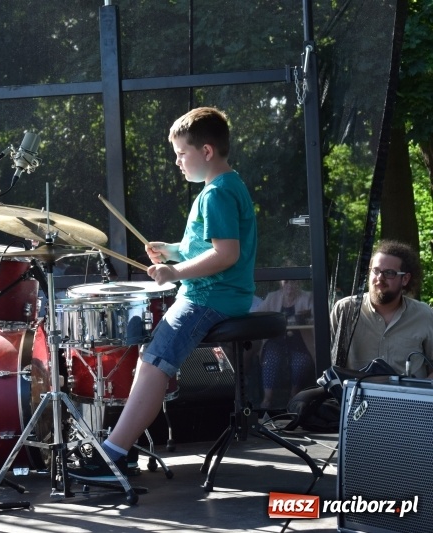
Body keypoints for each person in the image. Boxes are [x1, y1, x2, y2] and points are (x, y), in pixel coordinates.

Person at [69, 107, 256, 481]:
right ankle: (119, 449)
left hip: (209, 297)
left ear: (206, 151)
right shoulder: (226, 186)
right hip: (217, 293)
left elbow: (226, 254)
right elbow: (207, 245)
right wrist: (173, 251)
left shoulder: (215, 194)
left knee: (154, 362)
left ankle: (113, 455)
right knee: (151, 359)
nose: (177, 162)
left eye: (181, 154)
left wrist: (174, 272)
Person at [331, 240, 433, 377]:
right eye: (376, 271)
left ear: (405, 279)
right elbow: (327, 360)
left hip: (407, 397)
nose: (380, 278)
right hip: (357, 396)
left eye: (389, 273)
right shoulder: (345, 310)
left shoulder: (424, 315)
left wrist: (420, 392)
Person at [255, 279, 315, 409]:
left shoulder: (308, 297)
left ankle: (293, 398)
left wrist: (305, 319)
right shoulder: (272, 297)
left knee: (301, 362)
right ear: (281, 283)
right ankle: (267, 400)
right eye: (286, 281)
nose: (290, 285)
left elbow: (317, 317)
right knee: (270, 360)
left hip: (300, 340)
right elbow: (257, 314)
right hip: (276, 340)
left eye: (294, 282)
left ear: (299, 283)